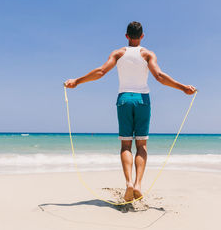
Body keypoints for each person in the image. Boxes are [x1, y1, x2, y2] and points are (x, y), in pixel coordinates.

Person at [64, 21, 196, 202]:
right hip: (143, 100)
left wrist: (77, 81)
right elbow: (159, 76)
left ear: (126, 36)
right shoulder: (147, 54)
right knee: (141, 145)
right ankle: (138, 185)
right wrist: (183, 88)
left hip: (124, 99)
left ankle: (128, 184)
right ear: (142, 36)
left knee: (126, 145)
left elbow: (101, 71)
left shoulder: (118, 53)